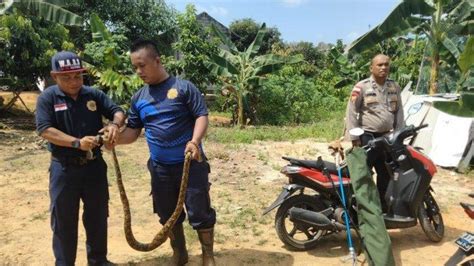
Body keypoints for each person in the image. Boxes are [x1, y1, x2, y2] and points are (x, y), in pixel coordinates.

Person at [115, 39, 216, 266]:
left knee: (200, 211)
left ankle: (208, 255)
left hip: (191, 164)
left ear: (157, 60)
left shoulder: (183, 88)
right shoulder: (139, 98)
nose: (138, 71)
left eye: (142, 65)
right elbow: (132, 131)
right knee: (167, 213)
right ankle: (179, 253)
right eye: (134, 68)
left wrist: (195, 141)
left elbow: (201, 115)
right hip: (160, 168)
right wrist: (114, 141)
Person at [35, 51, 125, 266]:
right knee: (64, 220)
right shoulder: (48, 98)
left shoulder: (93, 94)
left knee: (98, 215)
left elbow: (118, 111)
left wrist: (114, 125)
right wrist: (76, 142)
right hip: (64, 169)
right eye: (67, 77)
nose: (74, 81)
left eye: (78, 76)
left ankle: (98, 260)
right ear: (54, 76)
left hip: (94, 166)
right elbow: (45, 130)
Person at [345, 54, 405, 211]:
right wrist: (354, 137)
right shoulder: (362, 87)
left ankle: (382, 208)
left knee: (385, 173)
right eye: (379, 65)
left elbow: (399, 112)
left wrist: (400, 134)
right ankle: (357, 207)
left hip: (387, 138)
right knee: (362, 174)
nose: (383, 67)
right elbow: (351, 112)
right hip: (367, 138)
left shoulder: (394, 87)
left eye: (386, 64)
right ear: (371, 68)